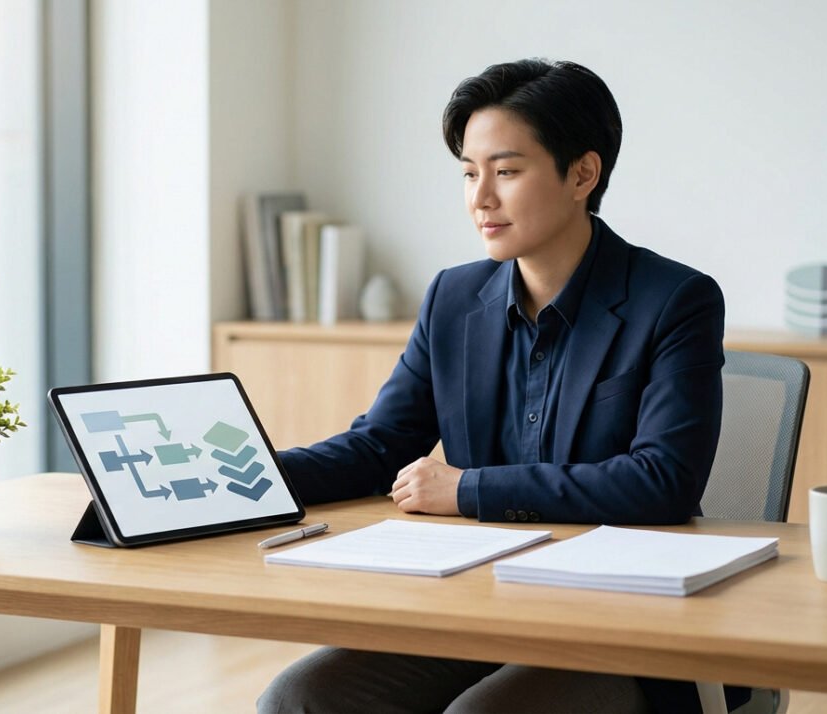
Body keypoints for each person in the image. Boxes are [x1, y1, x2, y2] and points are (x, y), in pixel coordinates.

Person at [259, 58, 746, 714]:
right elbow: (378, 446)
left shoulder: (674, 300)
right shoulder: (453, 298)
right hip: (482, 606)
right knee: (301, 697)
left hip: (628, 623)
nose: (480, 197)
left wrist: (466, 489)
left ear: (583, 173)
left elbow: (661, 482)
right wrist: (244, 484)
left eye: (506, 171)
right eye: (469, 172)